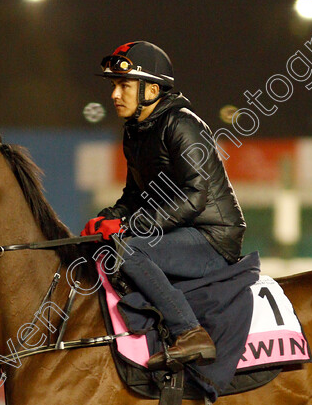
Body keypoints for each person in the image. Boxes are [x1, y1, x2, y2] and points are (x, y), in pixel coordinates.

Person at [81, 41, 249, 371]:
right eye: (115, 85)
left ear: (152, 89)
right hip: (180, 232)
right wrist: (105, 219)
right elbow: (133, 198)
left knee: (131, 251)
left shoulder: (182, 123)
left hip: (212, 238)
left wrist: (129, 227)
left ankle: (191, 332)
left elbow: (194, 197)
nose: (115, 94)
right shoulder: (135, 131)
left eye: (124, 85)